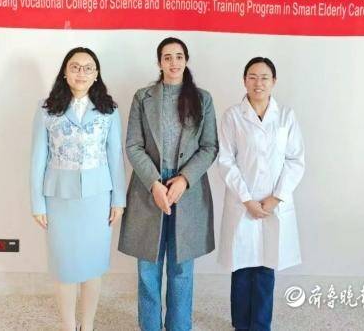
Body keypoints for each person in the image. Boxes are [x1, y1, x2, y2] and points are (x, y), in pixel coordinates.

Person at [118, 37, 218, 331]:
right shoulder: (143, 97)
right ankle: (149, 326)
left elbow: (209, 147)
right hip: (149, 189)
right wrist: (155, 184)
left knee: (181, 269)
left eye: (178, 56)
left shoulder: (202, 99)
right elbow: (133, 145)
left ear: (186, 60)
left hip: (188, 191)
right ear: (159, 62)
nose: (173, 62)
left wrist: (184, 180)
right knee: (148, 269)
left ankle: (179, 326)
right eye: (167, 57)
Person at [30, 47, 126, 331]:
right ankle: (68, 326)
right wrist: (37, 203)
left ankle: (88, 325)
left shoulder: (109, 110)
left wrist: (118, 200)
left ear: (96, 75)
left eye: (88, 68)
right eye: (75, 67)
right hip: (59, 198)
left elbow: (115, 157)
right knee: (64, 267)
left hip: (98, 199)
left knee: (93, 266)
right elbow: (38, 158)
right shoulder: (47, 109)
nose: (81, 73)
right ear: (65, 72)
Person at [217, 57, 305, 331]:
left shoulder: (286, 116)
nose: (258, 83)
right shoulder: (233, 116)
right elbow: (225, 161)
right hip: (243, 202)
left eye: (264, 77)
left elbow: (295, 160)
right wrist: (247, 199)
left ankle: (260, 325)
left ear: (274, 81)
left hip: (273, 204)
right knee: (242, 267)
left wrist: (276, 198)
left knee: (266, 266)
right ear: (244, 81)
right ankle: (241, 324)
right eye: (252, 77)